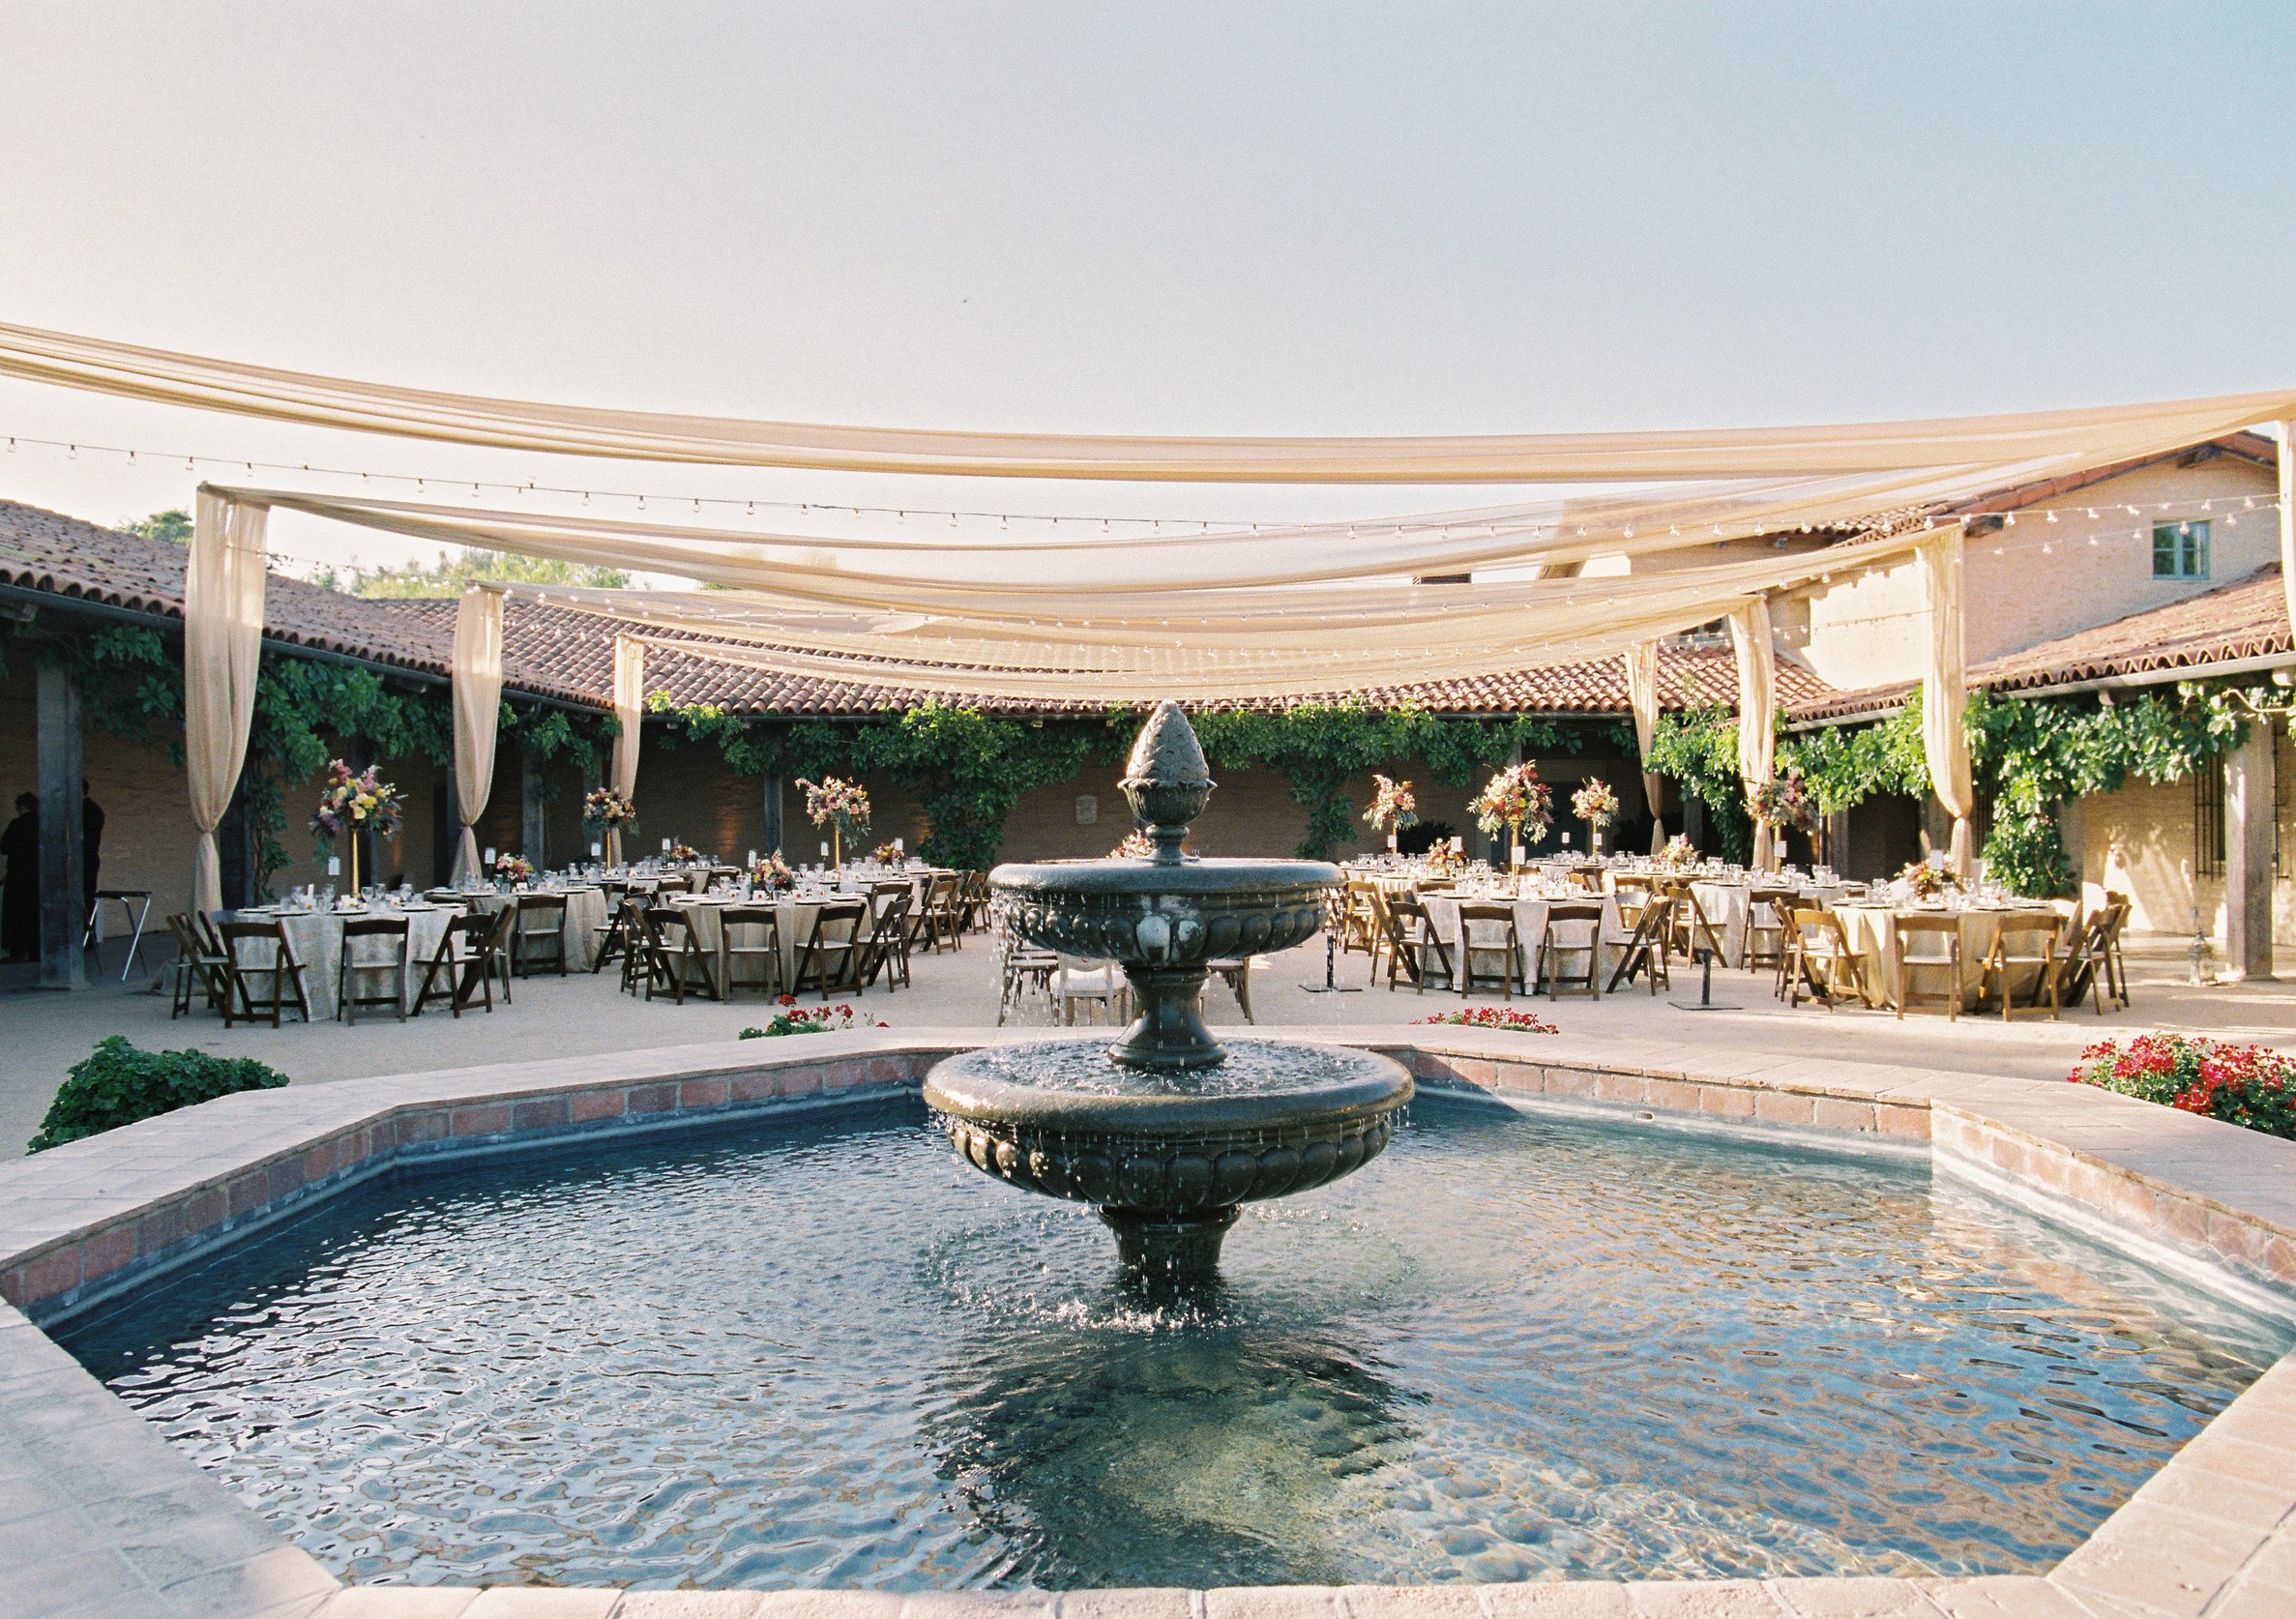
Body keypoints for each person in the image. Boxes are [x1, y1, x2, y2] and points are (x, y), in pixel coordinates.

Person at [1, 792, 37, 963]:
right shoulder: (43, 823)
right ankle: (36, 950)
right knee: (35, 912)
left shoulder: (17, 824)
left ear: (21, 807)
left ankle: (18, 950)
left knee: (17, 913)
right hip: (38, 874)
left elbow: (5, 847)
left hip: (18, 874)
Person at [82, 780, 103, 920]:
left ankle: (86, 935)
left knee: (85, 897)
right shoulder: (94, 809)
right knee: (87, 896)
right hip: (88, 857)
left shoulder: (86, 810)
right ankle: (88, 936)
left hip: (84, 858)